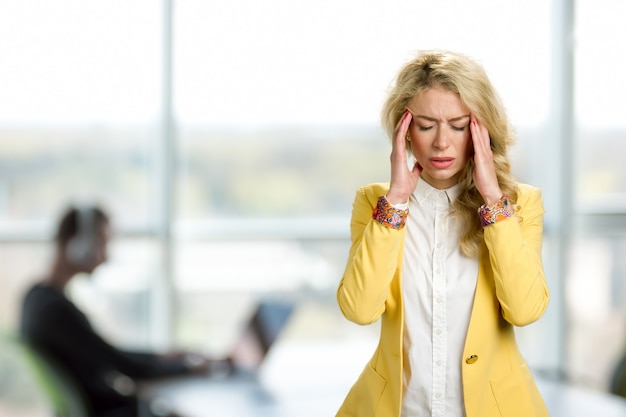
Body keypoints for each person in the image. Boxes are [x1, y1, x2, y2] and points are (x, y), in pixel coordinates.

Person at [336, 50, 550, 417]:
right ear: (403, 130)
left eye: (458, 124)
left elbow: (525, 310)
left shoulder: (519, 204)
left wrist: (493, 201)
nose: (441, 142)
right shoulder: (374, 202)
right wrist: (397, 202)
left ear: (482, 130)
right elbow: (358, 309)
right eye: (425, 125)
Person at [20, 205, 222, 417]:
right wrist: (189, 368)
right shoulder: (55, 311)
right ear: (79, 244)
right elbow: (125, 366)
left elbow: (106, 352)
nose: (105, 257)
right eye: (102, 243)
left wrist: (162, 357)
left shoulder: (35, 298)